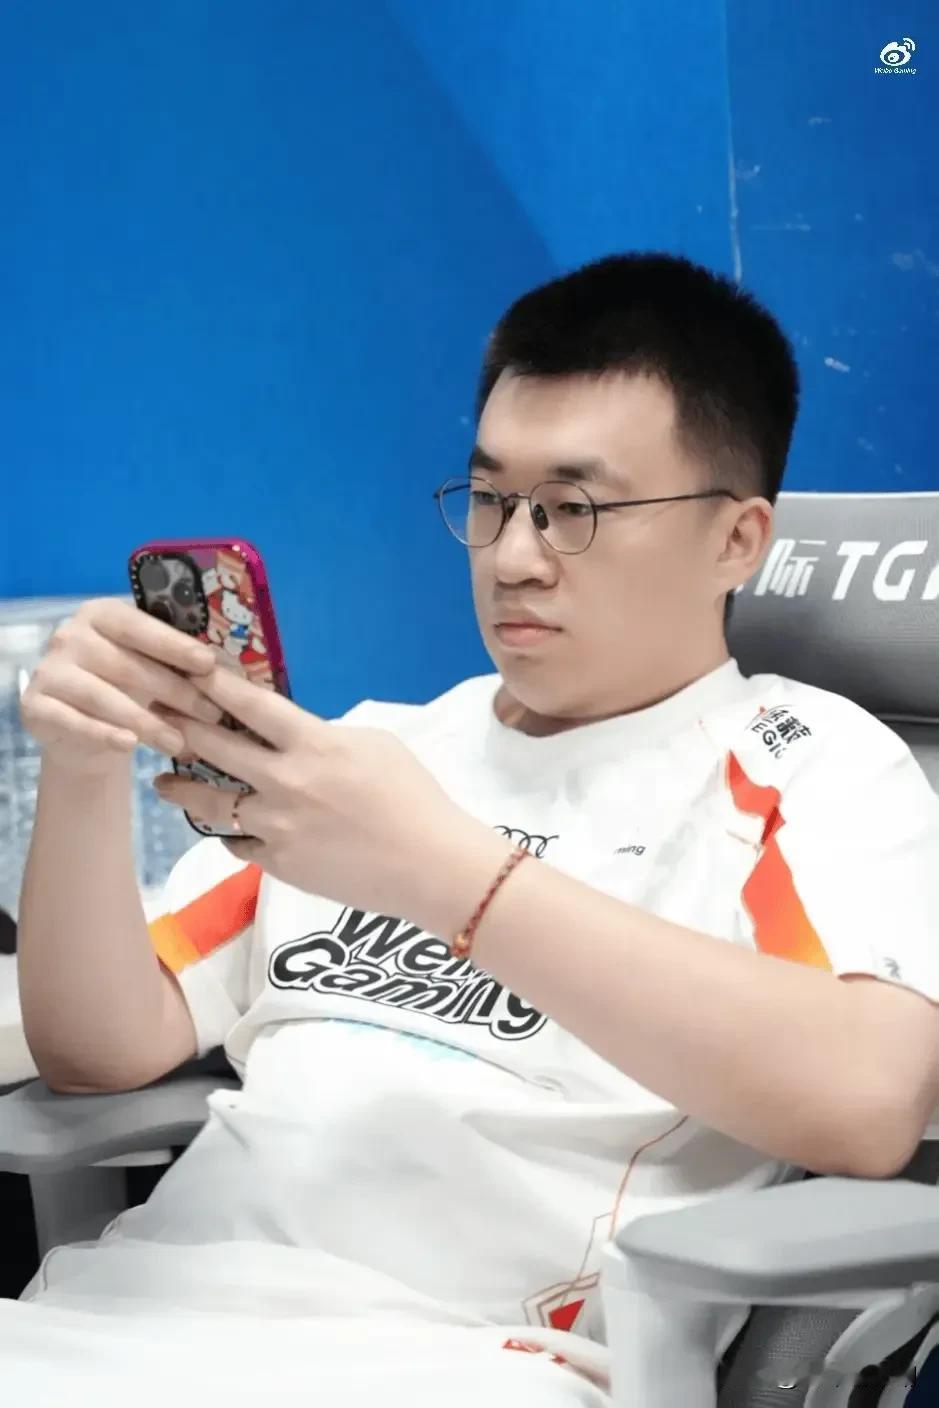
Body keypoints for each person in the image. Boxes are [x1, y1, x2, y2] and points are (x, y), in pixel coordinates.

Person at [7, 251, 939, 1406]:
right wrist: (84, 766)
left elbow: (865, 1101)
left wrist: (445, 872)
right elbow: (99, 1050)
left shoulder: (809, 765)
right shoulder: (377, 753)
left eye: (575, 511)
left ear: (737, 540)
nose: (512, 557)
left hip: (458, 1358)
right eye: (492, 500)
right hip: (123, 1317)